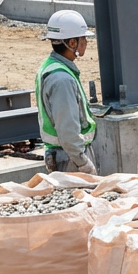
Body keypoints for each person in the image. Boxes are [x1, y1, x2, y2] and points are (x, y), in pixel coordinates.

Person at [36, 9, 98, 175]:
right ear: (72, 43)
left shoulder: (51, 67)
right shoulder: (62, 79)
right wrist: (82, 162)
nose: (86, 41)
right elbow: (67, 129)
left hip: (63, 154)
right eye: (83, 37)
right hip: (69, 158)